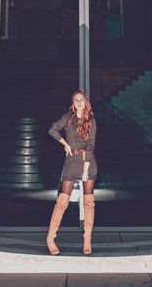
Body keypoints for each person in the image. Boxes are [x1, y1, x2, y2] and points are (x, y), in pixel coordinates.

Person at [45, 89, 97, 255]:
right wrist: (65, 145)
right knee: (62, 201)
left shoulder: (91, 120)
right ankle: (50, 238)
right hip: (71, 161)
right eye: (76, 100)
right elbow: (52, 129)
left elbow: (91, 145)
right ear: (73, 104)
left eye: (82, 99)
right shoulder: (68, 117)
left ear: (86, 102)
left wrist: (86, 169)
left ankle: (87, 240)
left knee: (88, 203)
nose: (79, 102)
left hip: (87, 161)